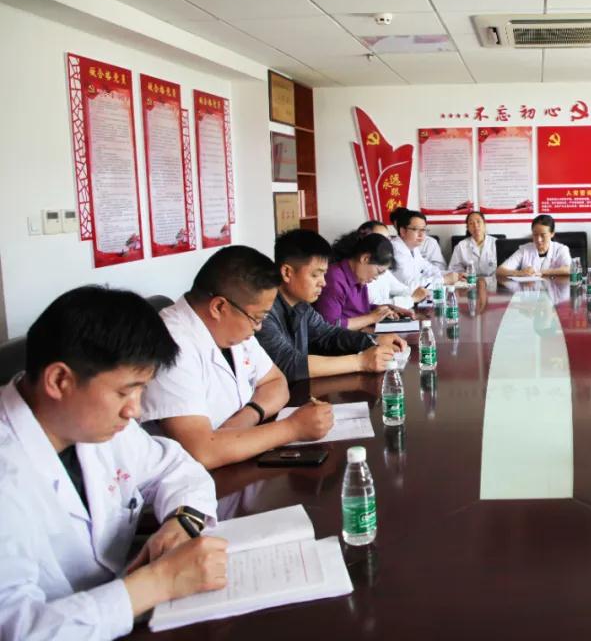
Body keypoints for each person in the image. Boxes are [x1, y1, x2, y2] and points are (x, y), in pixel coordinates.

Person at [0, 287, 228, 639]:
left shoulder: (89, 421)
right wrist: (158, 583)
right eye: (124, 391)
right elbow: (18, 629)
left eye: (141, 390)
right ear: (59, 380)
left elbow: (175, 468)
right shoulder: (8, 469)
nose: (134, 410)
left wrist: (182, 521)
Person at [142, 246, 334, 470]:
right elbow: (201, 451)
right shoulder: (171, 343)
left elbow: (276, 382)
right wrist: (293, 428)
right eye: (257, 318)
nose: (258, 327)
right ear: (219, 307)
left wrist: (248, 416)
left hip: (236, 464)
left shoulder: (233, 326)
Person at [257, 229, 401, 383]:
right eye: (315, 275)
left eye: (323, 274)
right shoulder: (262, 312)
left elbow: (328, 334)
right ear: (287, 272)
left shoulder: (302, 306)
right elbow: (289, 364)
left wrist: (374, 340)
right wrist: (361, 362)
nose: (323, 283)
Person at [316, 230, 396, 329]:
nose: (376, 278)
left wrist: (384, 310)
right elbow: (330, 326)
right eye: (378, 272)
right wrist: (371, 318)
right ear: (365, 258)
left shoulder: (359, 278)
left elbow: (356, 311)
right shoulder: (334, 279)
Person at [353, 222, 425, 309]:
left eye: (388, 239)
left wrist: (418, 293)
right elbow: (374, 305)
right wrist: (412, 299)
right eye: (381, 239)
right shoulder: (361, 272)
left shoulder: (382, 266)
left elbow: (400, 289)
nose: (387, 244)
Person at [389, 209, 458, 290]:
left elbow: (428, 269)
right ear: (403, 231)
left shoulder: (413, 248)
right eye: (416, 229)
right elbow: (410, 285)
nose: (421, 234)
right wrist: (443, 280)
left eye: (423, 230)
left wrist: (454, 275)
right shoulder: (395, 250)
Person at [497, 214, 571, 277]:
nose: (538, 239)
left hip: (554, 288)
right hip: (530, 288)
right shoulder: (525, 250)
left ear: (552, 234)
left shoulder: (560, 249)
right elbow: (500, 270)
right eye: (535, 235)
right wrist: (519, 273)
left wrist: (543, 272)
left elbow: (570, 269)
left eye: (543, 235)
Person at [449, 211, 498, 276]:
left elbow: (504, 267)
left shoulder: (496, 243)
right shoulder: (461, 246)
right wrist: (464, 275)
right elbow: (453, 269)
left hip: (493, 280)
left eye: (478, 221)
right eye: (471, 223)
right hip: (469, 280)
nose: (475, 225)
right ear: (468, 228)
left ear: (484, 224)